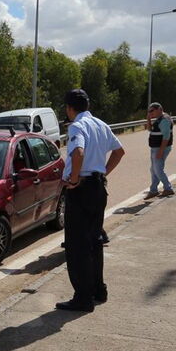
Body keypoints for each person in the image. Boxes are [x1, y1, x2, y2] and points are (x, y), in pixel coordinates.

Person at [58, 89, 125, 313]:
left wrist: (75, 178)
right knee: (94, 242)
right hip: (98, 188)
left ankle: (83, 298)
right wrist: (103, 173)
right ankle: (98, 290)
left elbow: (77, 152)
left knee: (77, 247)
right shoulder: (101, 124)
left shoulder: (77, 126)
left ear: (69, 108)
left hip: (81, 190)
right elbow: (119, 151)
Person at [144, 102, 174, 199]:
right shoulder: (159, 119)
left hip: (160, 148)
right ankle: (153, 190)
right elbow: (150, 130)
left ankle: (168, 188)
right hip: (156, 148)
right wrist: (148, 119)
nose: (150, 113)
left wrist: (161, 151)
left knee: (157, 169)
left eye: (152, 111)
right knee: (153, 169)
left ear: (159, 109)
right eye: (149, 111)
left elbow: (166, 137)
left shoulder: (164, 120)